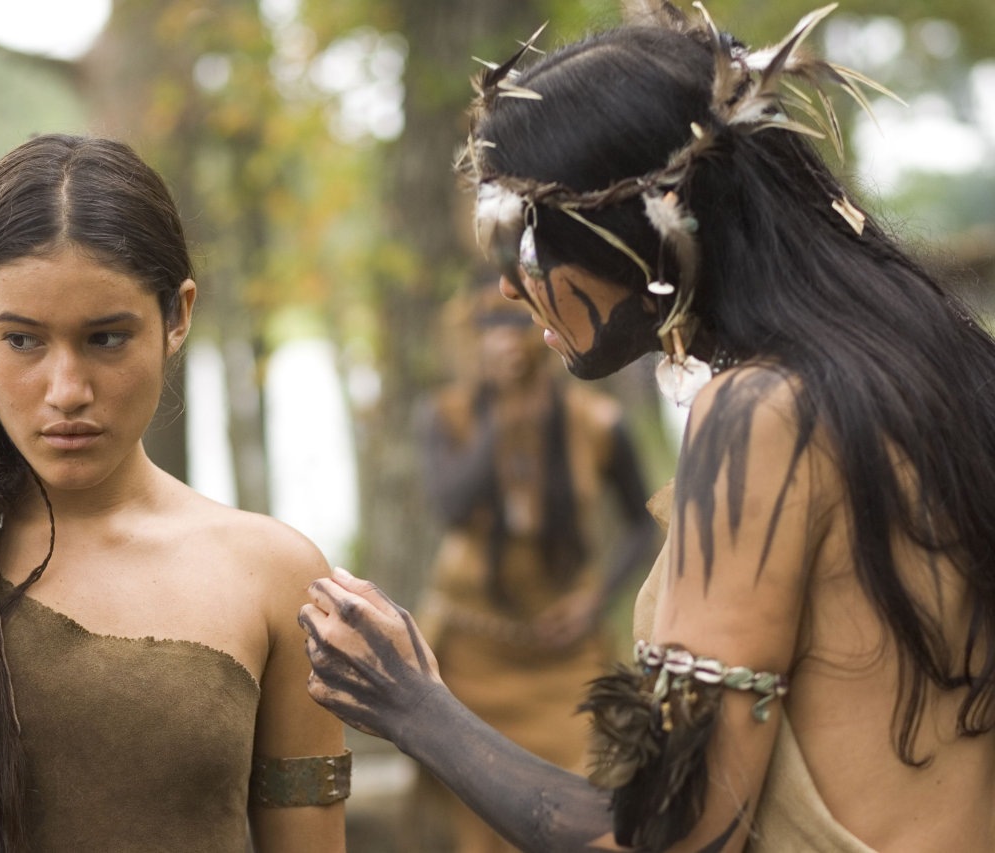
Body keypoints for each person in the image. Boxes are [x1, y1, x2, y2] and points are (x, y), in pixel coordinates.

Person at [300, 4, 995, 851]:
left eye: (523, 245)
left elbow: (675, 835)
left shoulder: (760, 412)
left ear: (639, 233)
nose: (511, 289)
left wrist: (414, 704)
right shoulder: (929, 365)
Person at [0, 134, 348, 851]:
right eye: (23, 340)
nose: (67, 390)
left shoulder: (276, 578)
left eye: (106, 339)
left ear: (177, 316)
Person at [413, 283, 653, 852]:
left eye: (516, 324)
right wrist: (503, 413)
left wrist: (596, 601)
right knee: (477, 816)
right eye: (489, 327)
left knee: (585, 802)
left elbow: (643, 525)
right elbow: (451, 507)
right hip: (472, 656)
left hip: (565, 658)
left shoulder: (598, 422)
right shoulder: (445, 415)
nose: (504, 341)